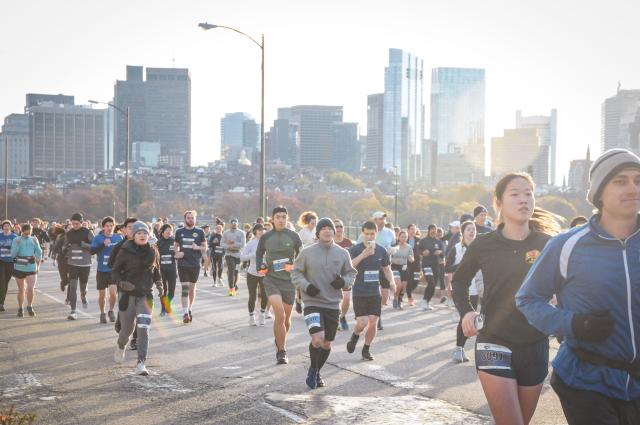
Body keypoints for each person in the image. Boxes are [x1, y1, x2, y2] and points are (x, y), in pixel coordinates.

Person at [516, 149, 640, 425]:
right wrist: (574, 324)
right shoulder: (567, 245)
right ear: (599, 193)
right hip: (586, 379)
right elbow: (527, 299)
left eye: (638, 180)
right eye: (620, 181)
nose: (633, 188)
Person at [452, 172, 559, 425]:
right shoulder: (483, 244)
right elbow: (459, 281)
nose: (524, 200)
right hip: (494, 340)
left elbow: (567, 285)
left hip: (535, 342)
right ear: (498, 202)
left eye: (528, 194)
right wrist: (466, 311)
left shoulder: (549, 244)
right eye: (515, 194)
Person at [292, 218, 356, 388]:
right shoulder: (307, 252)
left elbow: (351, 274)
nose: (327, 231)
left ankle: (316, 371)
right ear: (318, 232)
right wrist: (307, 286)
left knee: (327, 343)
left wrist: (343, 282)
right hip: (312, 302)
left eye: (330, 228)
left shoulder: (343, 253)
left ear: (334, 232)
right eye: (324, 228)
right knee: (317, 339)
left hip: (333, 304)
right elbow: (296, 273)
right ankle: (313, 371)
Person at [112, 221, 162, 376]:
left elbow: (156, 271)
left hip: (146, 295)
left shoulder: (153, 251)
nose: (142, 235)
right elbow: (114, 271)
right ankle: (121, 346)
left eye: (145, 233)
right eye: (139, 233)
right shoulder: (124, 250)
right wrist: (121, 283)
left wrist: (160, 285)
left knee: (143, 330)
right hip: (127, 295)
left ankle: (141, 362)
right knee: (126, 330)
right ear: (133, 235)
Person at [255, 205, 303, 365]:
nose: (281, 219)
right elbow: (259, 253)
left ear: (287, 218)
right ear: (273, 219)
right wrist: (260, 267)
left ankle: (280, 341)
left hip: (288, 282)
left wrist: (295, 266)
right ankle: (281, 352)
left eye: (284, 217)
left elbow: (301, 256)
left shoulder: (294, 236)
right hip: (271, 280)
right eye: (278, 217)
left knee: (287, 319)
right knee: (280, 315)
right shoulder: (266, 237)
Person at [346, 220, 395, 360]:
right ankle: (355, 335)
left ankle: (366, 349)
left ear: (376, 233)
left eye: (372, 234)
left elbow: (387, 269)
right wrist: (363, 255)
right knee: (362, 323)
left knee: (373, 321)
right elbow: (349, 267)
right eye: (367, 234)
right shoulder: (355, 249)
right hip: (359, 291)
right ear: (362, 233)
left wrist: (392, 282)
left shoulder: (381, 250)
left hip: (374, 292)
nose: (369, 237)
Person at [445, 220, 479, 363]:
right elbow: (447, 269)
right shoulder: (457, 248)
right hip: (460, 289)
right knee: (465, 318)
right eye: (468, 229)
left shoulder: (480, 248)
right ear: (463, 232)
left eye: (473, 229)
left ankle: (466, 348)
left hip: (475, 289)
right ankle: (459, 349)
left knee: (475, 321)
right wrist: (463, 265)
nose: (471, 232)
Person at [174, 211, 207, 324]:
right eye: (188, 218)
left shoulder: (199, 232)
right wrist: (177, 253)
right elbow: (176, 247)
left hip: (195, 264)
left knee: (192, 289)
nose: (190, 220)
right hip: (183, 264)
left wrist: (197, 247)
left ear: (195, 219)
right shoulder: (179, 232)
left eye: (192, 218)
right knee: (185, 289)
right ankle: (185, 313)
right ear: (185, 219)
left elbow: (204, 247)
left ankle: (190, 308)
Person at [91, 216, 123, 324]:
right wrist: (102, 245)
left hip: (113, 271)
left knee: (113, 294)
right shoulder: (98, 238)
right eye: (107, 226)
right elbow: (92, 251)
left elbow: (123, 252)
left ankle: (110, 311)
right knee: (102, 295)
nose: (109, 228)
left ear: (114, 226)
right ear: (103, 227)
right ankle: (102, 313)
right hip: (101, 270)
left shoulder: (119, 238)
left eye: (111, 226)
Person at [64, 213, 94, 320]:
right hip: (72, 263)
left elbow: (94, 247)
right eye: (73, 224)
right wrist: (65, 248)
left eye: (77, 223)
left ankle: (83, 296)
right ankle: (73, 311)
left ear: (81, 222)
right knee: (72, 287)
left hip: (85, 264)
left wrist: (84, 245)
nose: (75, 226)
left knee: (83, 288)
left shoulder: (88, 232)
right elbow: (64, 245)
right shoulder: (69, 233)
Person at [10, 223, 43, 317]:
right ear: (23, 231)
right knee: (21, 290)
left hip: (31, 267)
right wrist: (17, 245)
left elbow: (39, 253)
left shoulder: (33, 239)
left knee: (31, 289)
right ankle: (20, 308)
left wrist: (37, 244)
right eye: (27, 232)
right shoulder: (16, 239)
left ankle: (29, 306)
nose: (28, 234)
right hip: (19, 267)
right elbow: (13, 254)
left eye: (30, 232)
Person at [240, 223, 268, 326]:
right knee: (253, 296)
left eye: (263, 230)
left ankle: (261, 314)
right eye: (259, 230)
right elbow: (242, 257)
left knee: (265, 295)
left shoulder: (267, 243)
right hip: (252, 273)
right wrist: (253, 255)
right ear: (255, 232)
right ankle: (251, 317)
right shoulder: (251, 243)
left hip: (264, 273)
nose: (261, 232)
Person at [418, 224, 444, 311]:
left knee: (433, 284)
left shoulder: (439, 242)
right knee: (431, 282)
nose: (433, 231)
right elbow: (418, 250)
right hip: (426, 265)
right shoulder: (423, 240)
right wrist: (423, 252)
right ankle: (424, 300)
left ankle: (426, 302)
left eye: (435, 229)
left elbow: (443, 254)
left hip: (436, 265)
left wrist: (440, 252)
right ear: (428, 230)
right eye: (432, 229)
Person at [334, 219, 353, 330]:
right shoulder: (329, 242)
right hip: (331, 275)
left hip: (345, 275)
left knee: (346, 299)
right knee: (335, 299)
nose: (339, 229)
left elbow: (353, 260)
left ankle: (343, 316)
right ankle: (335, 318)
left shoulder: (348, 243)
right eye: (336, 226)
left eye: (341, 226)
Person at [221, 218, 246, 296]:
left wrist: (233, 243)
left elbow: (243, 244)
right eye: (232, 223)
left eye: (235, 223)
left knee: (236, 271)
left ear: (237, 224)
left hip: (238, 255)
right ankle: (231, 289)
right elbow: (221, 243)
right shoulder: (226, 233)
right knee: (231, 270)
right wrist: (228, 247)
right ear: (230, 224)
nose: (234, 224)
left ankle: (234, 286)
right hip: (229, 254)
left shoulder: (242, 233)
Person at [390, 230, 414, 310]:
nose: (404, 238)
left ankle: (399, 300)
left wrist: (411, 258)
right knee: (399, 285)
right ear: (398, 237)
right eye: (402, 237)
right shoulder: (394, 246)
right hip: (394, 267)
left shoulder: (409, 247)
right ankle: (395, 299)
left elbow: (412, 258)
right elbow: (389, 257)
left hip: (404, 267)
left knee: (404, 286)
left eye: (405, 237)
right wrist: (394, 260)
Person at [156, 223, 176, 316]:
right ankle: (163, 309)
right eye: (167, 232)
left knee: (172, 291)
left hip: (172, 269)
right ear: (162, 232)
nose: (169, 233)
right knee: (164, 290)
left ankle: (167, 304)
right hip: (162, 270)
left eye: (170, 232)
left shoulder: (174, 241)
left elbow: (178, 252)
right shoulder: (158, 242)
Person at [0, 220, 17, 312]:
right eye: (4, 226)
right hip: (1, 260)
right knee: (1, 281)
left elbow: (19, 247)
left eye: (8, 226)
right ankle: (1, 303)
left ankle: (2, 300)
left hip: (10, 261)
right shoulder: (0, 236)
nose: (6, 227)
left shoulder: (14, 237)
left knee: (5, 282)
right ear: (2, 227)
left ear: (11, 227)